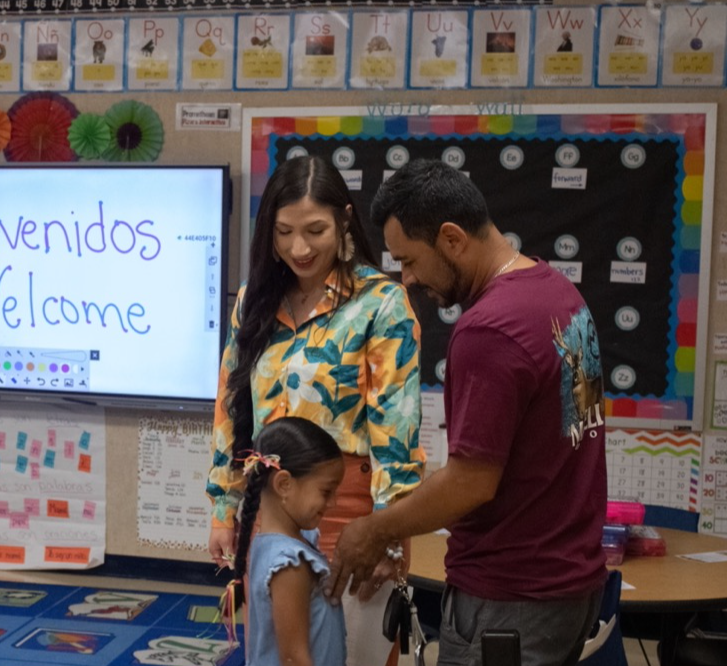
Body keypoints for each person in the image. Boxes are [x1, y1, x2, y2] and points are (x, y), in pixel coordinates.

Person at [330, 159, 606, 666]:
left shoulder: (489, 330)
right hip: (570, 588)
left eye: (410, 260)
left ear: (452, 239)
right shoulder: (558, 292)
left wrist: (375, 529)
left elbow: (470, 482)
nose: (408, 279)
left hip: (509, 600)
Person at [206, 155, 424, 666]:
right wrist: (224, 505)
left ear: (345, 221)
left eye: (315, 230)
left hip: (350, 511)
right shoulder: (254, 300)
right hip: (272, 510)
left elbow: (397, 435)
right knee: (279, 653)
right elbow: (231, 408)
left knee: (349, 655)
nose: (298, 248)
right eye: (283, 232)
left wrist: (387, 535)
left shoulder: (380, 303)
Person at [225, 417, 347, 666]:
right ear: (284, 484)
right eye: (326, 491)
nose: (333, 502)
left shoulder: (270, 543)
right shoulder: (290, 563)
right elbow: (293, 658)